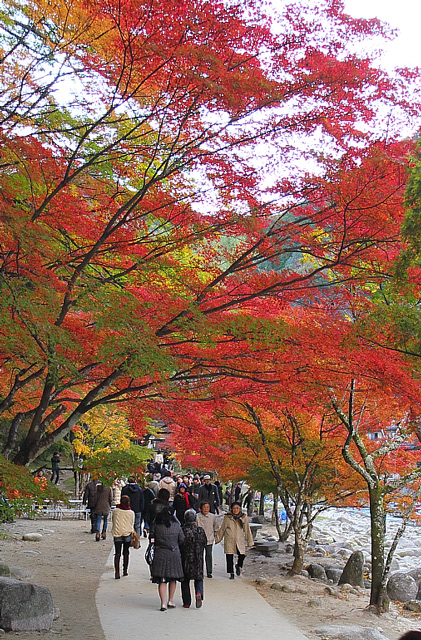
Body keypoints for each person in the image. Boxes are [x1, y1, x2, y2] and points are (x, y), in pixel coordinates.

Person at [150, 506, 184, 611]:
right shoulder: (176, 525)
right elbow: (182, 539)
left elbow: (151, 537)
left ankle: (163, 603)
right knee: (173, 578)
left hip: (160, 552)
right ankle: (171, 600)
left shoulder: (156, 524)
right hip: (173, 553)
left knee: (162, 579)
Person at [215, 501, 253, 579]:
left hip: (239, 539)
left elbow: (247, 529)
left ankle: (238, 565)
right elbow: (223, 528)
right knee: (229, 556)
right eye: (234, 508)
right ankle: (231, 573)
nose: (235, 510)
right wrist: (218, 538)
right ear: (231, 509)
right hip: (229, 539)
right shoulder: (227, 517)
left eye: (237, 508)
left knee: (242, 555)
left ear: (240, 509)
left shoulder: (243, 517)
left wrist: (250, 541)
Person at [180, 509, 207, 609]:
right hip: (198, 558)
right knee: (199, 578)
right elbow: (205, 542)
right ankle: (199, 592)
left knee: (185, 581)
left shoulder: (182, 530)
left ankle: (187, 602)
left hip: (185, 559)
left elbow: (180, 543)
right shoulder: (200, 530)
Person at [111, 494, 135, 579]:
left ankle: (117, 572)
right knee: (126, 552)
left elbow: (113, 520)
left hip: (117, 532)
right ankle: (125, 570)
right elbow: (132, 523)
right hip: (127, 532)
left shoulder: (116, 511)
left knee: (117, 553)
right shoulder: (131, 512)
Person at [196, 501, 219, 578]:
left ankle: (209, 571)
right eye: (204, 507)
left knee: (208, 555)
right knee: (200, 555)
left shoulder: (212, 517)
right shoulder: (197, 517)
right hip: (199, 540)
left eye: (207, 507)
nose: (206, 509)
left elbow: (216, 527)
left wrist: (216, 537)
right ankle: (200, 570)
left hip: (209, 538)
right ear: (201, 508)